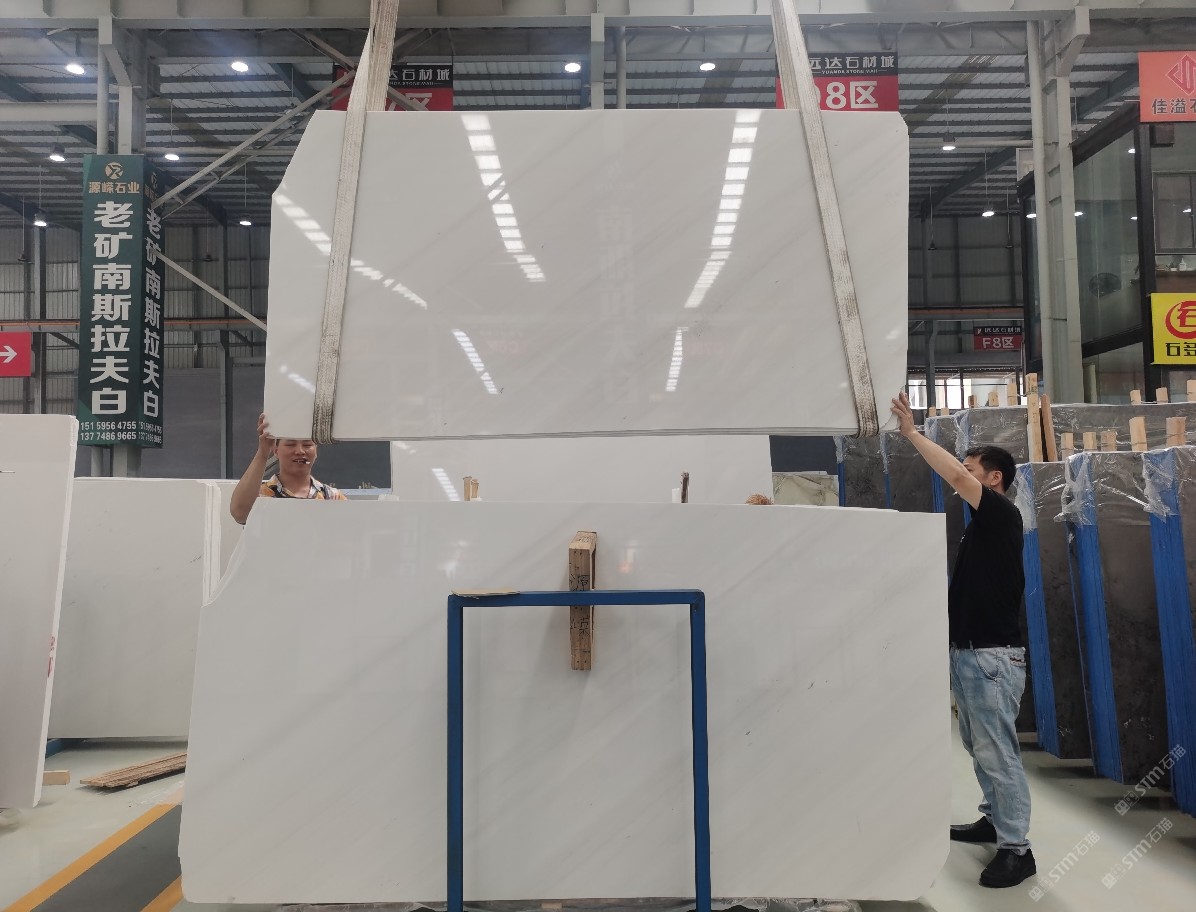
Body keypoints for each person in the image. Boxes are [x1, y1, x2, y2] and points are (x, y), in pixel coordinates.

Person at [890, 391, 1034, 889]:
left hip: (993, 658)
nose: (964, 475)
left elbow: (953, 475)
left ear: (993, 479)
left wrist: (912, 433)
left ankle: (1017, 849)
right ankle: (994, 820)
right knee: (979, 745)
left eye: (973, 469)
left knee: (998, 752)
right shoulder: (980, 528)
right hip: (971, 655)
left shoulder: (1001, 514)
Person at [230, 413, 347, 525]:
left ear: (316, 451)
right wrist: (263, 452)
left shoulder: (331, 497)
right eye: (290, 444)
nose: (300, 451)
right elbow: (240, 513)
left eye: (307, 445)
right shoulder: (260, 495)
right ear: (276, 451)